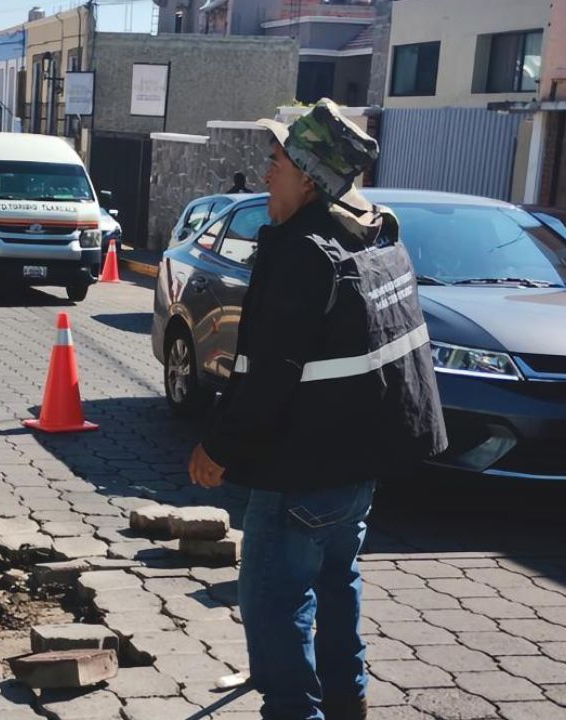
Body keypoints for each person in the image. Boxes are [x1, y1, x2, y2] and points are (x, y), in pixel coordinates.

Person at [187, 99, 447, 720]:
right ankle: (346, 699)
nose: (267, 170)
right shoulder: (374, 235)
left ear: (308, 174)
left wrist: (215, 448)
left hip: (303, 469)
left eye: (276, 159)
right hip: (356, 471)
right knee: (336, 582)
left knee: (274, 597)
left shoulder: (304, 252)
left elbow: (267, 377)